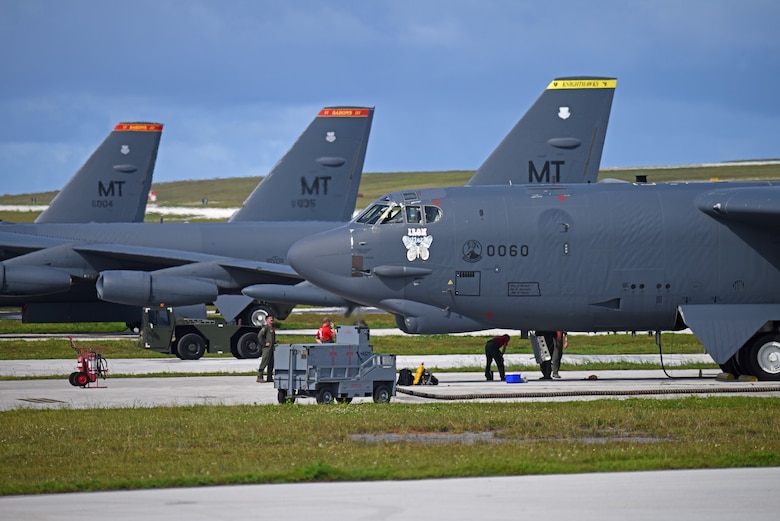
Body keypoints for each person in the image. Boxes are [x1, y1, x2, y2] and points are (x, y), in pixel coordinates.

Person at [256, 316, 277, 382]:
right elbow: (260, 336)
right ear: (266, 320)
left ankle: (269, 377)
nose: (272, 319)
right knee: (264, 361)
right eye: (270, 318)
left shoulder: (272, 328)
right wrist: (264, 343)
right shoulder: (266, 328)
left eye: (272, 318)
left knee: (271, 363)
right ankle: (259, 377)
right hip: (267, 348)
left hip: (272, 348)